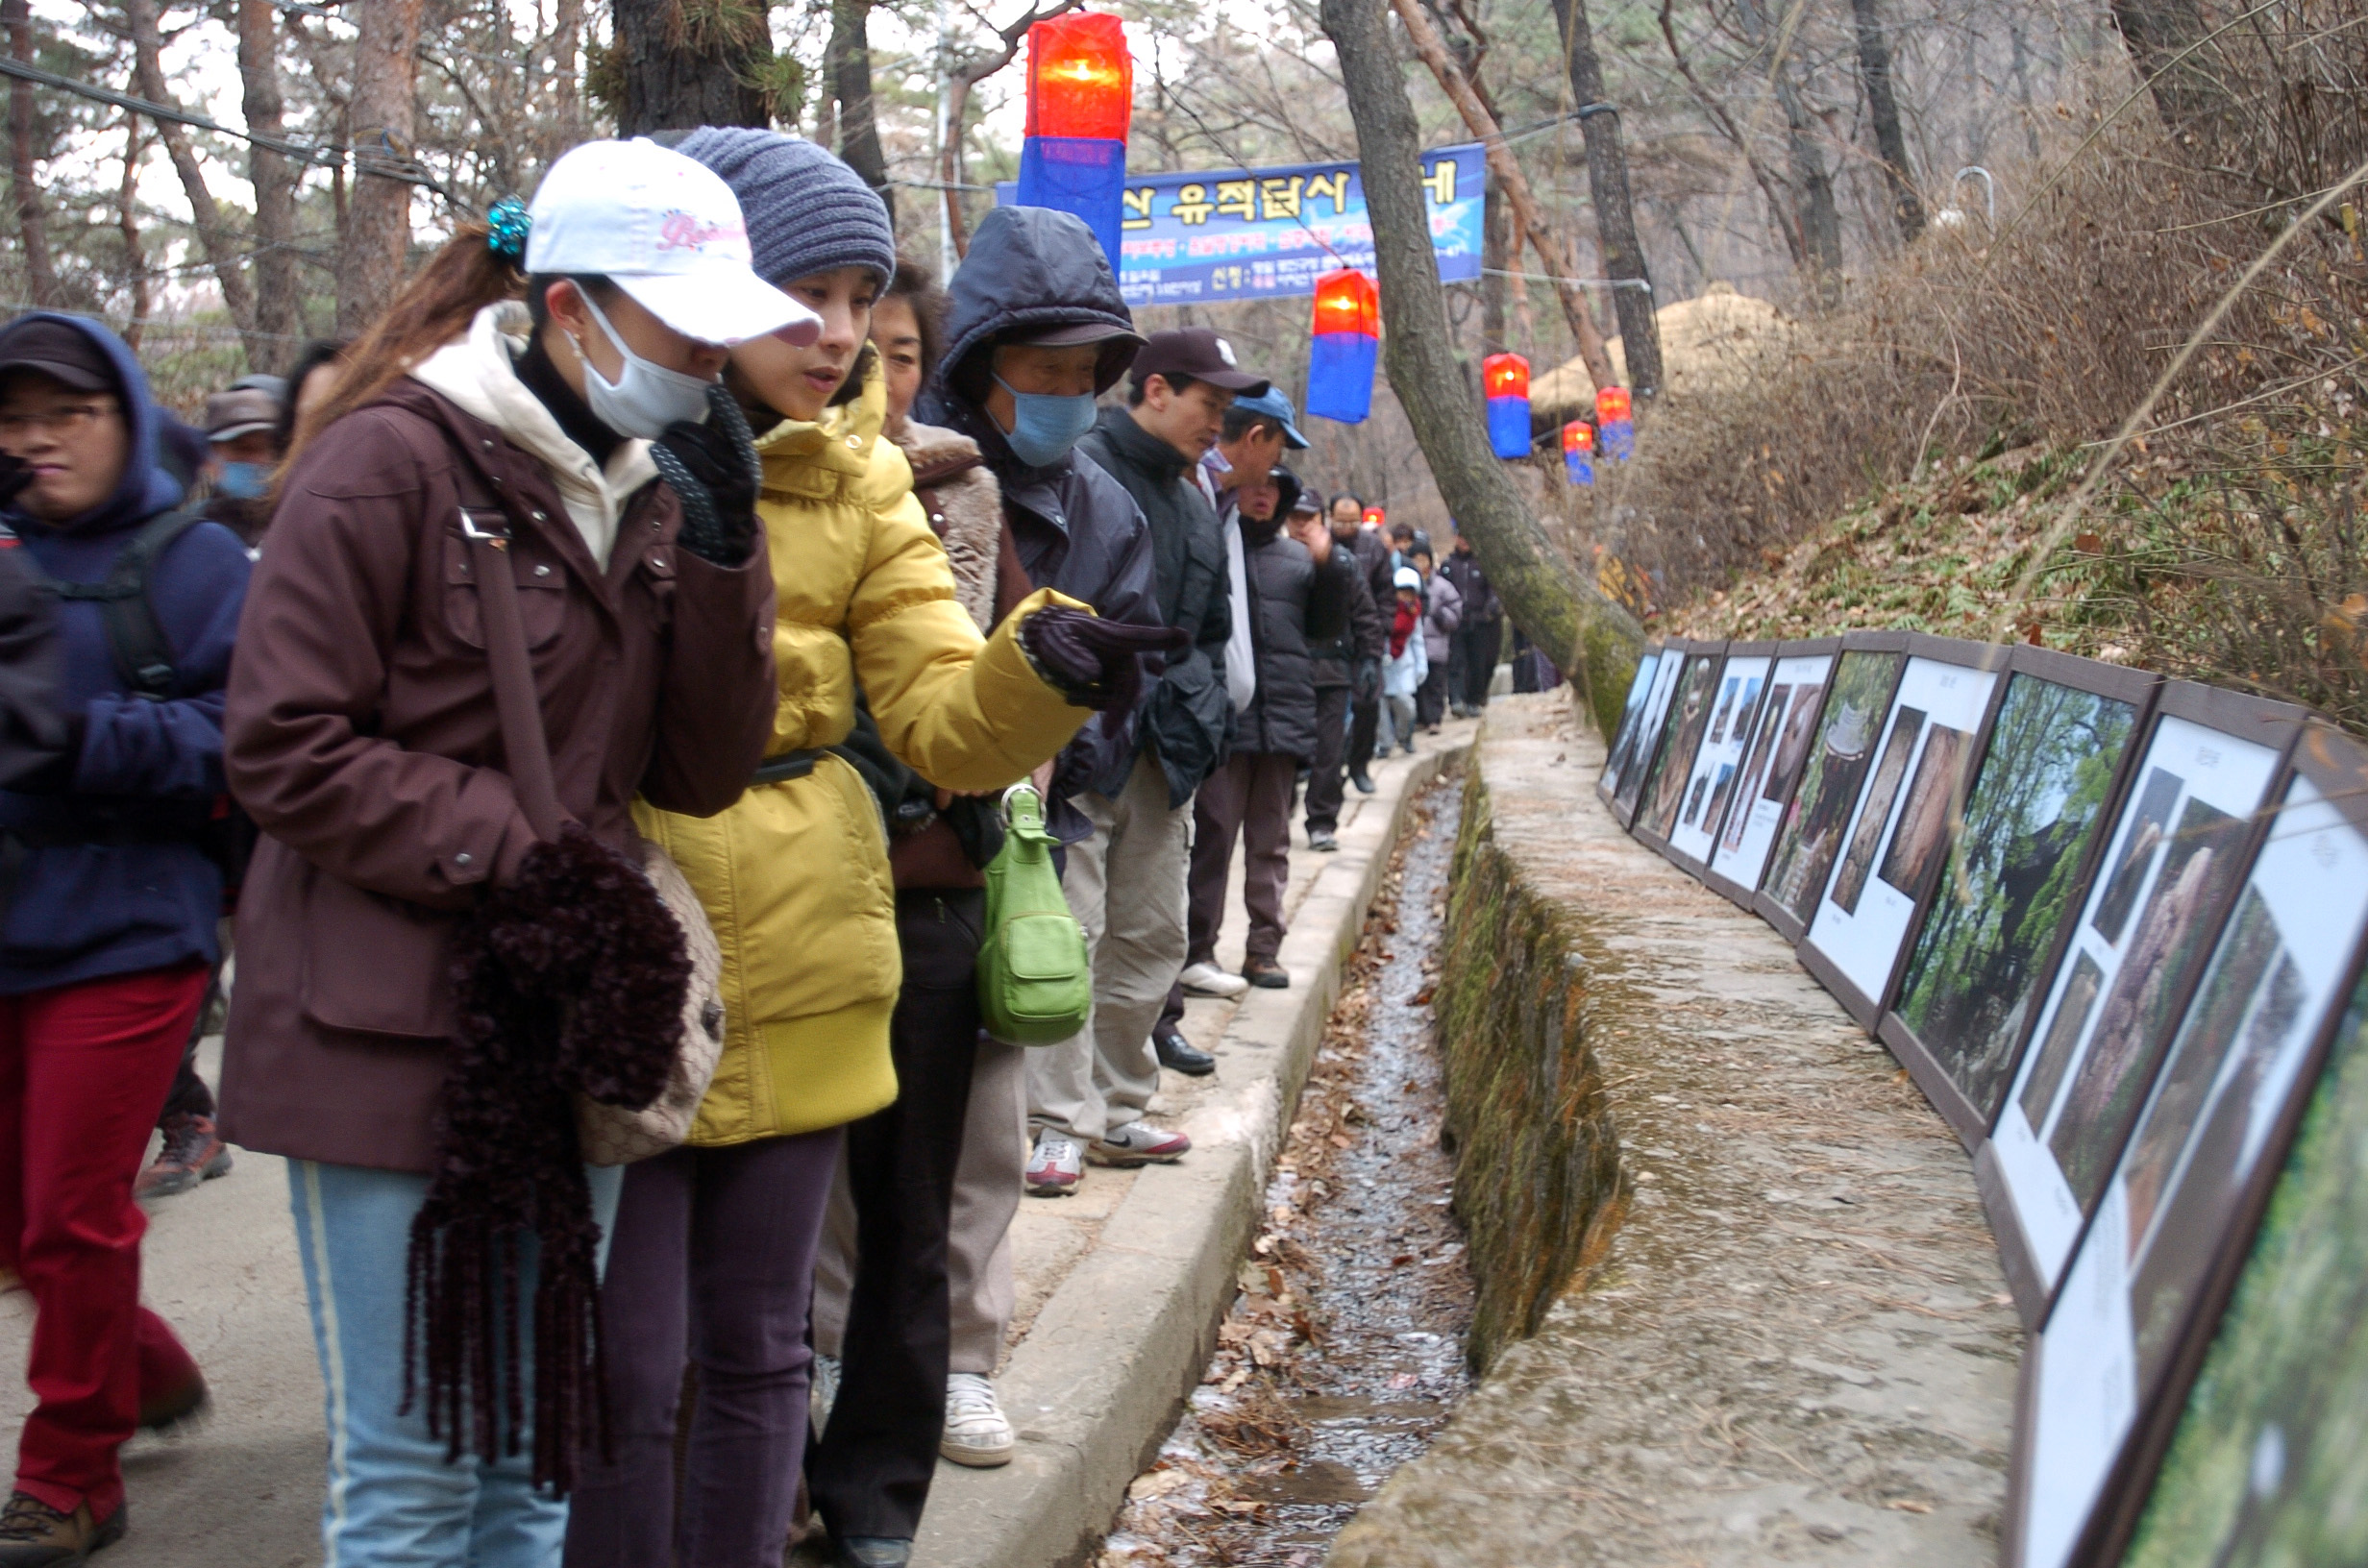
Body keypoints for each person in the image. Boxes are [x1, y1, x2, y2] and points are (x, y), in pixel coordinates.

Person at [565, 133, 1157, 1568]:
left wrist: (1042, 666)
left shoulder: (872, 481)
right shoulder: (594, 455)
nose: (835, 337)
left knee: (767, 1340)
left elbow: (946, 719)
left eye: (861, 298)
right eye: (801, 293)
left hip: (821, 932)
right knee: (631, 1364)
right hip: (635, 931)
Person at [217, 138, 801, 1567]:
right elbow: (283, 744)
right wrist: (533, 856)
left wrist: (726, 562)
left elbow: (701, 773)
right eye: (687, 332)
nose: (710, 369)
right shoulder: (387, 463)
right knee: (416, 1473)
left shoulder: (649, 483)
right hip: (379, 1025)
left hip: (567, 1018)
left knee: (532, 1468)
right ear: (569, 307)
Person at [801, 248, 1081, 1555]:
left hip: (931, 886)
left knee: (918, 1198)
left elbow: (960, 693)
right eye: (848, 324)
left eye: (890, 334)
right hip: (783, 893)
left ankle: (876, 1496)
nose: (862, 349)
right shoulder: (716, 480)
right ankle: (783, 1442)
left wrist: (1043, 692)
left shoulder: (955, 498)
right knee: (784, 1220)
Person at [0, 311, 250, 1566]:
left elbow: (248, 740)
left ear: (126, 415)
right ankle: (139, 1365)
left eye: (69, 414)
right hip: (8, 917)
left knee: (68, 1207)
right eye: (16, 419)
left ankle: (70, 1473)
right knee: (25, 1222)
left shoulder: (195, 560)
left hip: (130, 926)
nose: (41, 441)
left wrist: (85, 735)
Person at [907, 210, 1161, 1290]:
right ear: (976, 369)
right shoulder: (904, 476)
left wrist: (1055, 767)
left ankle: (963, 1358)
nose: (1064, 391)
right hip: (884, 841)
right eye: (1040, 369)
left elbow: (1121, 677)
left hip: (1018, 847)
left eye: (1081, 372)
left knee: (982, 1122)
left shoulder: (1105, 507)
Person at [1028, 328, 1266, 1197]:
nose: (1220, 424)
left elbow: (1206, 630)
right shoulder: (1081, 470)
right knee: (1070, 938)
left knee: (1151, 935)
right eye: (1210, 405)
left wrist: (1202, 716)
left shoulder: (1200, 498)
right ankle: (1052, 1124)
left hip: (1170, 759)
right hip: (1084, 754)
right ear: (1156, 390)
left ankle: (1119, 1105)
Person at [1158, 461, 1349, 1037]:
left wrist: (1330, 562)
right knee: (1211, 837)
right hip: (1227, 721)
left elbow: (1328, 627)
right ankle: (1199, 950)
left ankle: (1264, 949)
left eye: (1273, 490)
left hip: (1285, 719)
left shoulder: (1299, 558)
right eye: (1252, 487)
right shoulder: (1217, 546)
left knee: (1271, 842)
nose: (1262, 497)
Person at [1300, 489, 1381, 854]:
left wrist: (1370, 658)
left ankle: (1321, 821)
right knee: (1285, 753)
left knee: (1329, 752)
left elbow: (1366, 615)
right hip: (1287, 672)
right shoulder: (1276, 558)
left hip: (1333, 670)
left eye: (1310, 519)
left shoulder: (1346, 564)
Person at [1329, 491, 1391, 794]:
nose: (1346, 527)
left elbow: (1386, 597)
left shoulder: (1373, 548)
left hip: (1366, 639)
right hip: (1329, 642)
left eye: (1352, 521)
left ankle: (1359, 764)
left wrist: (1378, 642)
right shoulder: (1319, 545)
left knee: (1368, 705)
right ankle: (1329, 771)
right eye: (1341, 522)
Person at [197, 380, 283, 548]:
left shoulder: (300, 526)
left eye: (269, 448)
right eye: (244, 449)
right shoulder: (188, 535)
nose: (261, 460)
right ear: (209, 461)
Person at [1442, 531, 1503, 717]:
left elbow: (1494, 590)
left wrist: (1491, 608)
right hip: (1456, 622)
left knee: (1479, 662)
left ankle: (1474, 699)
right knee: (1456, 662)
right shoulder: (1448, 565)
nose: (1465, 541)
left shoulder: (1483, 564)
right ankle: (1456, 699)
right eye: (1461, 536)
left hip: (1480, 621)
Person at [1411, 545, 1461, 731]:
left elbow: (1455, 611)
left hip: (1436, 644)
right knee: (1418, 685)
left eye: (1423, 559)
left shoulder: (1442, 586)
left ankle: (1434, 719)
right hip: (1414, 645)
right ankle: (1421, 718)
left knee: (1435, 685)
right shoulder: (1406, 586)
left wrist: (1441, 615)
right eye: (1416, 559)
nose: (1420, 564)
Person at [1380, 566, 1428, 754]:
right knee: (1380, 709)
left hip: (1403, 665)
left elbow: (1417, 640)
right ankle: (1384, 743)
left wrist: (1421, 665)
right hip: (1382, 664)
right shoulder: (1384, 610)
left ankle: (1404, 735)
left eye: (1409, 593)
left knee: (1406, 705)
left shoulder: (1413, 613)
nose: (1405, 597)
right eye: (1402, 592)